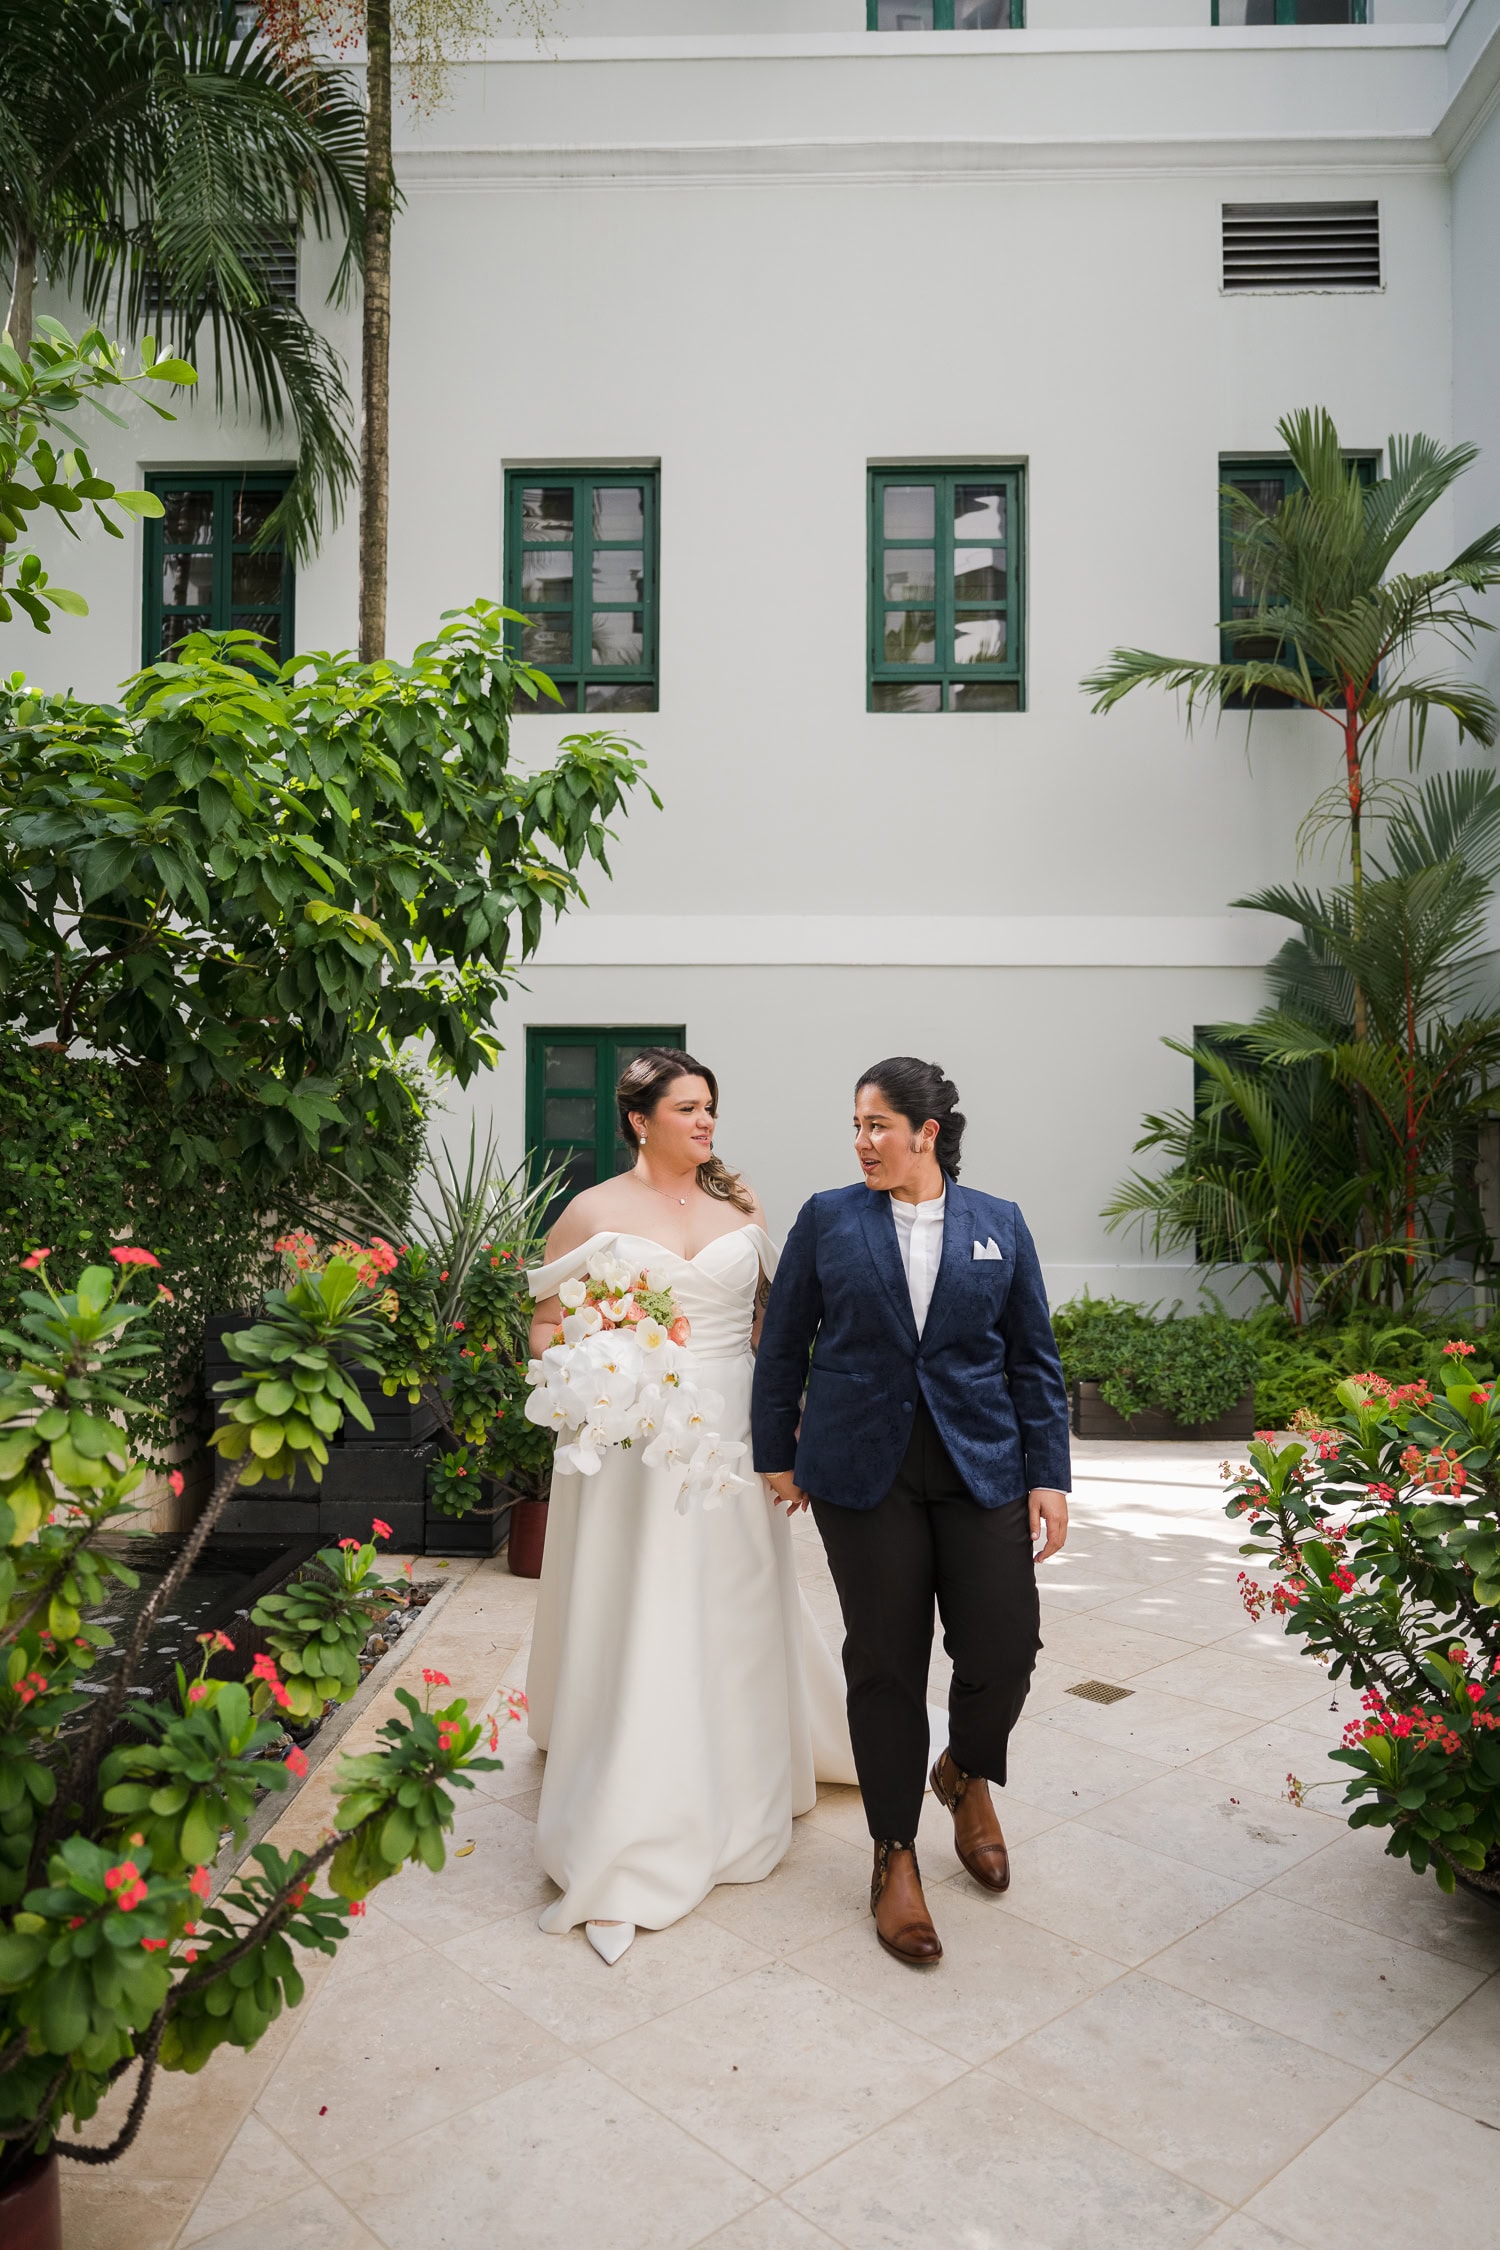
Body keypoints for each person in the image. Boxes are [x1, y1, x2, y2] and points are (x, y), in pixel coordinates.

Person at [523, 1048, 856, 1965]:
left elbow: (770, 1331)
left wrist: (785, 1437)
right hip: (632, 1439)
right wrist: (595, 1375)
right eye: (688, 1108)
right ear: (640, 1120)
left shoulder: (741, 1211)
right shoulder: (590, 1213)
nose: (706, 1122)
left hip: (733, 1426)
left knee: (735, 1596)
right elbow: (547, 1326)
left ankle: (743, 1776)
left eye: (711, 1107)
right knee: (644, 1600)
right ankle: (634, 1799)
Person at [751, 1058, 1070, 1967]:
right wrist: (776, 1450)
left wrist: (1049, 1475)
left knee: (1007, 1644)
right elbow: (784, 1346)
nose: (863, 1142)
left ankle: (964, 1771)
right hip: (862, 1472)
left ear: (927, 1134)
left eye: (879, 1126)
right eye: (856, 1125)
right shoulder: (828, 1219)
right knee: (887, 1663)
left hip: (982, 1466)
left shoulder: (998, 1224)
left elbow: (1033, 1360)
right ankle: (895, 1855)